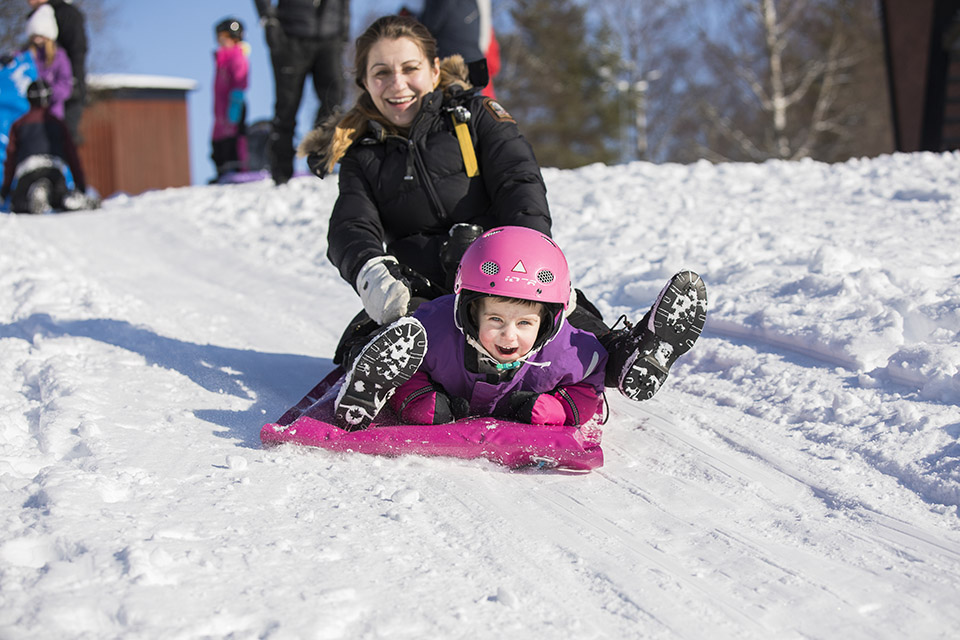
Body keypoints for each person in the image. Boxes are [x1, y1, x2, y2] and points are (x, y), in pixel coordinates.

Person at [299, 15, 707, 407]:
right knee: (383, 334)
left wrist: (533, 257)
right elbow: (351, 224)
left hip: (500, 275)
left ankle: (628, 356)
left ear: (434, 69)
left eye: (410, 68)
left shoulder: (475, 118)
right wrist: (374, 275)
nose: (397, 83)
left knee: (561, 323)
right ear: (364, 82)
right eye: (381, 73)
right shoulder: (363, 155)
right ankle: (381, 381)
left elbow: (519, 183)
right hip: (419, 289)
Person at [335, 226, 607, 430]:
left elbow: (590, 381)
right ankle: (359, 363)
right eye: (495, 320)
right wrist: (417, 399)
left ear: (547, 322)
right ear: (472, 314)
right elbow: (406, 365)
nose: (509, 335)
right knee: (392, 334)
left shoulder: (565, 350)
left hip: (522, 399)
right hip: (441, 388)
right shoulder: (436, 331)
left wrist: (558, 409)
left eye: (524, 323)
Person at [253, 0, 350, 185]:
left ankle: (321, 160)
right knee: (287, 107)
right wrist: (269, 20)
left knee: (334, 101)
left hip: (331, 34)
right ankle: (281, 173)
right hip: (291, 35)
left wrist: (344, 30)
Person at [1, 79, 91, 213]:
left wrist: (5, 189)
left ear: (29, 99)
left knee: (19, 204)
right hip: (54, 169)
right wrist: (80, 184)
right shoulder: (58, 123)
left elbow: (11, 159)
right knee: (58, 199)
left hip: (29, 170)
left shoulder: (19, 124)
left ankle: (33, 197)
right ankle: (65, 199)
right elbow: (72, 155)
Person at [410, 0, 500, 98]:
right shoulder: (473, 3)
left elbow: (428, 26)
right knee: (474, 104)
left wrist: (409, 20)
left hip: (452, 67)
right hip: (474, 66)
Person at [27, 0, 87, 143]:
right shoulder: (31, 52)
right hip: (36, 108)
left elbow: (77, 50)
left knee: (65, 139)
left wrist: (75, 82)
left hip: (64, 96)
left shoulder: (66, 13)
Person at [211, 17, 250, 180]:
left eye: (225, 37)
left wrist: (236, 102)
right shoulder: (221, 59)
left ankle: (236, 168)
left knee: (234, 138)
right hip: (220, 109)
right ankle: (222, 170)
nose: (221, 41)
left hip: (233, 105)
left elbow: (240, 80)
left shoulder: (236, 56)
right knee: (218, 140)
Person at [23, 4, 73, 122]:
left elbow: (66, 85)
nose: (37, 40)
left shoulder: (59, 56)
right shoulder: (26, 55)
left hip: (52, 114)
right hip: (29, 114)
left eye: (40, 35)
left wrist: (49, 92)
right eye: (34, 36)